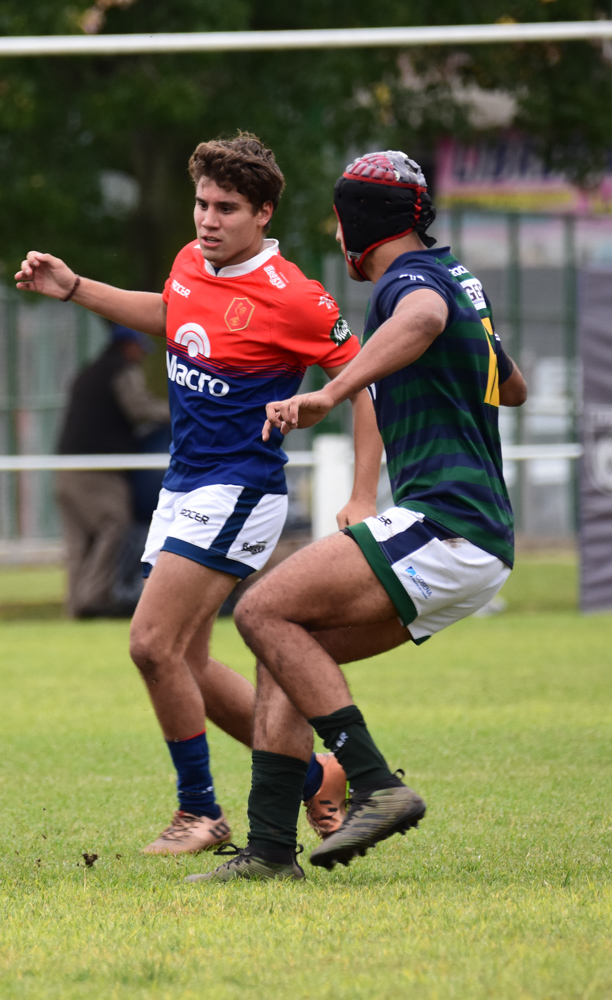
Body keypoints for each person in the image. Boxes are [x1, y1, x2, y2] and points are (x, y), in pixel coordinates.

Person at [15, 132, 380, 854]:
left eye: (227, 208)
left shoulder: (296, 297)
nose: (208, 220)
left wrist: (363, 493)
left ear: (264, 214)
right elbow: (169, 314)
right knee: (187, 664)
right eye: (202, 203)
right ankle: (317, 777)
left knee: (150, 644)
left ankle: (200, 812)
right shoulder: (190, 262)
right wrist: (76, 287)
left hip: (241, 488)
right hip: (183, 485)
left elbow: (364, 383)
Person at [189, 150, 528, 882]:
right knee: (287, 645)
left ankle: (375, 783)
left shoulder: (409, 284)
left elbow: (425, 319)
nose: (337, 234)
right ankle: (270, 851)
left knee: (262, 610)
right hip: (479, 537)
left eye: (339, 220)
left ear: (357, 224)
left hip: (449, 522)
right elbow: (515, 385)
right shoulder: (457, 277)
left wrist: (331, 392)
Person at [55, 323, 168, 618]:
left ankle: (76, 604)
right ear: (129, 347)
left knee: (79, 540)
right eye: (140, 349)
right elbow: (140, 408)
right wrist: (177, 415)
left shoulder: (88, 372)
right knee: (114, 525)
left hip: (66, 467)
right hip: (99, 470)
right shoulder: (122, 371)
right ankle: (95, 598)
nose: (142, 356)